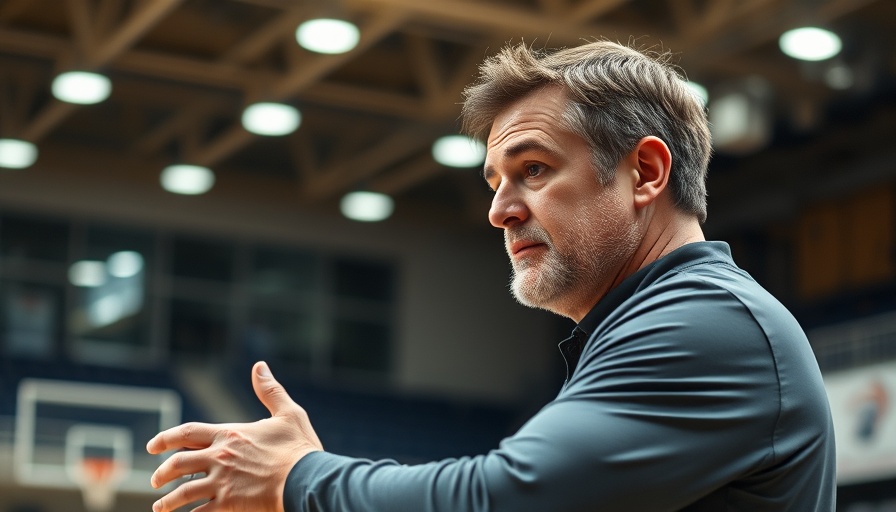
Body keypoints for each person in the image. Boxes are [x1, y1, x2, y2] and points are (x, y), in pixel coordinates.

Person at [146, 40, 836, 511]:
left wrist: (301, 480)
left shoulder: (708, 324)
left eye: (533, 169)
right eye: (495, 181)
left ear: (646, 172)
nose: (500, 210)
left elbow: (500, 499)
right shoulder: (658, 325)